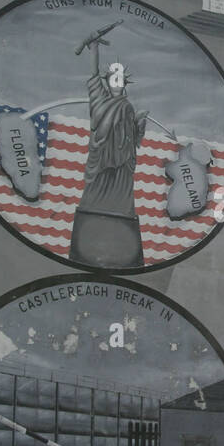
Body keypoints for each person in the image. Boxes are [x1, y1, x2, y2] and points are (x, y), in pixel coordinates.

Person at [68, 27, 150, 267]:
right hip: (101, 160)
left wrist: (140, 123)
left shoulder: (127, 108)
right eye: (112, 77)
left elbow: (133, 141)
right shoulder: (101, 100)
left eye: (119, 78)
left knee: (122, 200)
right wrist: (93, 49)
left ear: (124, 82)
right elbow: (93, 77)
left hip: (122, 167)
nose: (115, 82)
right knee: (94, 197)